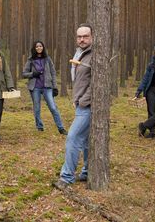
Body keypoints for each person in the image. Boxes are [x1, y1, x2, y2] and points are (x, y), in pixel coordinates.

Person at [53, 24, 93, 189]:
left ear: (92, 37)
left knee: (73, 138)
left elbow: (97, 82)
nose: (82, 39)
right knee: (85, 141)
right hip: (80, 103)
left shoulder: (94, 55)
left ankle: (67, 177)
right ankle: (87, 172)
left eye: (85, 36)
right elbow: (80, 80)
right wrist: (76, 99)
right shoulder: (79, 53)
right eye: (79, 36)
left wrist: (83, 100)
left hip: (88, 105)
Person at [22, 41, 67, 135]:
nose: (39, 48)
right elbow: (24, 74)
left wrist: (55, 87)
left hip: (47, 87)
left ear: (43, 47)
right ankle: (39, 127)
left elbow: (53, 73)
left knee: (53, 107)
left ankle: (61, 128)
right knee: (37, 108)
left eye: (40, 46)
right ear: (34, 48)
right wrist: (33, 74)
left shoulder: (47, 59)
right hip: (35, 88)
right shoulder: (30, 60)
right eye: (37, 46)